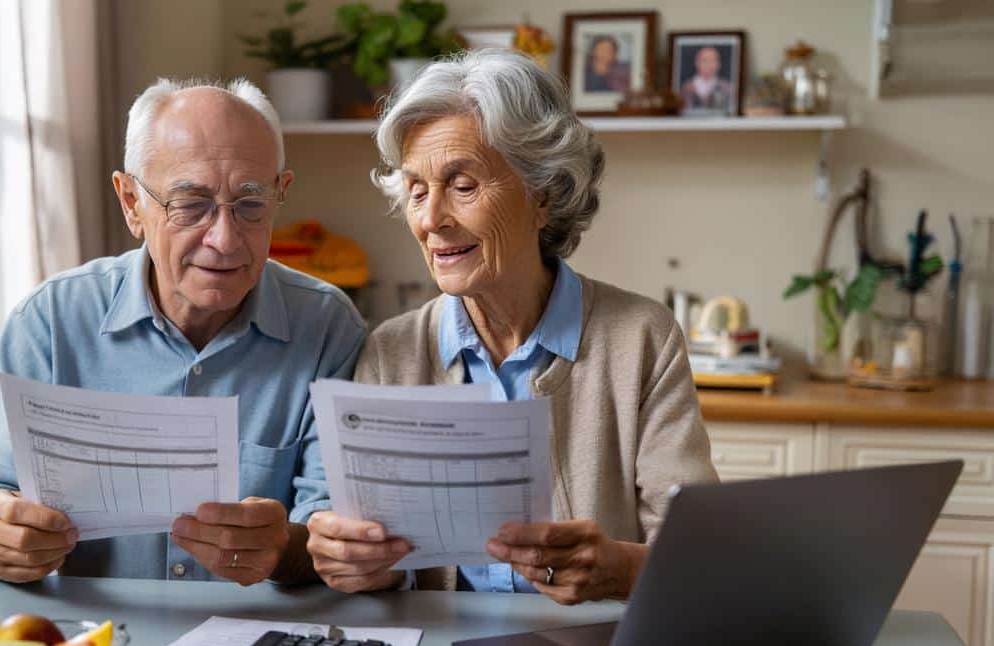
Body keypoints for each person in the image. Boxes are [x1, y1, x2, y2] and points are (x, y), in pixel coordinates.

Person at [306, 49, 717, 604]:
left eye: (463, 184)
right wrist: (359, 562)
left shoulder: (642, 338)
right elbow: (379, 563)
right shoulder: (392, 351)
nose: (430, 220)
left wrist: (621, 568)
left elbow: (699, 554)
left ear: (542, 195)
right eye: (417, 191)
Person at [0, 78, 365, 585]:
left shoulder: (328, 328)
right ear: (130, 204)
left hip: (257, 641)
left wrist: (286, 549)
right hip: (91, 644)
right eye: (191, 204)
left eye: (251, 205)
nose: (225, 239)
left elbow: (335, 528)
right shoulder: (51, 321)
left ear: (281, 194)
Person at [680, 45, 732, 113]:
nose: (709, 64)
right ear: (697, 62)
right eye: (705, 60)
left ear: (719, 64)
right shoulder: (686, 87)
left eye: (713, 60)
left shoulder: (727, 87)